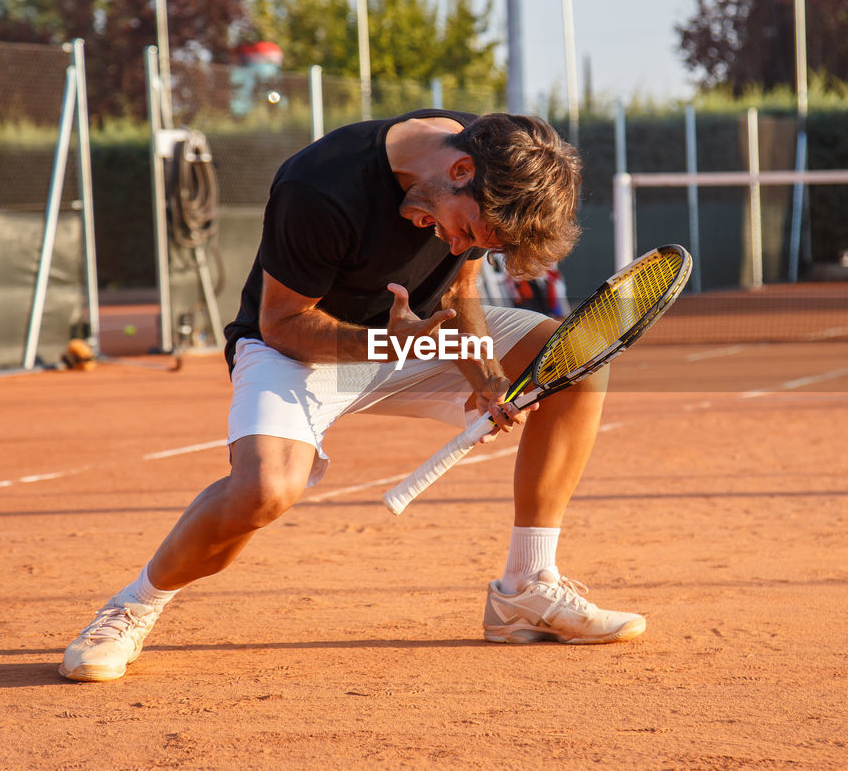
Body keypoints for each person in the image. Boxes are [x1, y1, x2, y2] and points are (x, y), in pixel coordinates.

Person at [60, 110, 646, 682]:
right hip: (297, 349)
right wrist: (388, 345)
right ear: (460, 170)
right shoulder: (319, 186)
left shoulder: (482, 162)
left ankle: (526, 589)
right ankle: (129, 609)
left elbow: (460, 292)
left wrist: (485, 374)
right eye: (468, 231)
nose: (459, 243)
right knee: (264, 490)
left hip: (410, 340)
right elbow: (282, 323)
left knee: (571, 359)